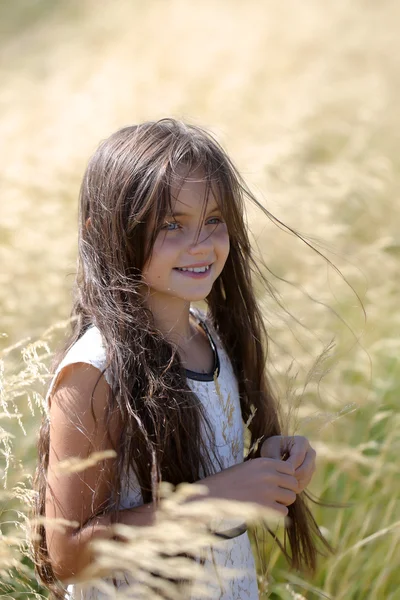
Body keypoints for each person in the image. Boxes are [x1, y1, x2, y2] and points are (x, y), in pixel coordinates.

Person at [32, 119, 327, 600]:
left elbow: (207, 475)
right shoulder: (96, 370)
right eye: (172, 225)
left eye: (214, 219)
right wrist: (215, 500)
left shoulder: (209, 334)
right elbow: (65, 555)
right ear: (105, 230)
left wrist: (266, 469)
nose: (202, 244)